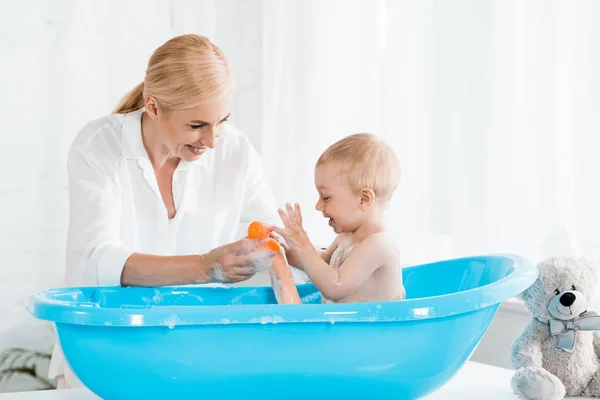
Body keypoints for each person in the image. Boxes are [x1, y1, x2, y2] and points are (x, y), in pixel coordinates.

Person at [49, 34, 288, 388]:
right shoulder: (98, 146)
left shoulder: (235, 151)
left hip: (197, 356)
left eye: (222, 120)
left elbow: (271, 237)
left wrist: (337, 258)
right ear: (154, 107)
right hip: (105, 352)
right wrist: (206, 267)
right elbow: (95, 259)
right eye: (197, 126)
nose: (213, 140)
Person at [272, 133, 406, 304]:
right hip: (346, 328)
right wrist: (288, 249)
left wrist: (302, 242)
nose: (318, 206)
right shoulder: (346, 237)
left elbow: (335, 288)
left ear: (364, 199)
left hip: (371, 330)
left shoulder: (378, 244)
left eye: (326, 197)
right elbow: (318, 264)